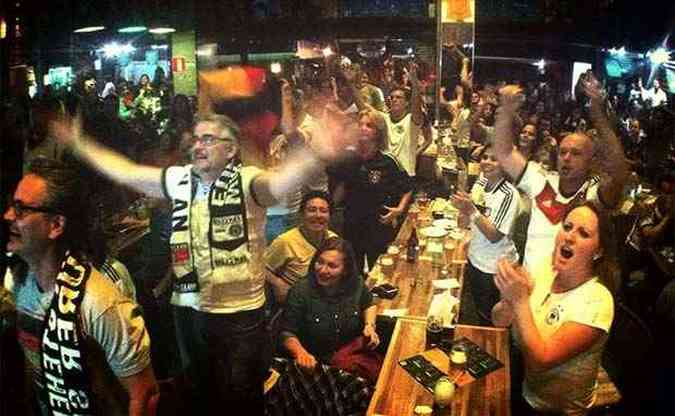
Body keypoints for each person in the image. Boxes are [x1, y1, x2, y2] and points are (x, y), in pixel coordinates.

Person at [51, 109, 339, 413]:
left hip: (239, 316)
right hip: (190, 309)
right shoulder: (179, 180)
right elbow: (126, 172)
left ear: (231, 150)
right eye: (198, 138)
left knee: (240, 400)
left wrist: (315, 154)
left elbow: (278, 185)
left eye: (210, 139)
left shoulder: (247, 181)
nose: (198, 145)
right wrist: (79, 143)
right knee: (199, 396)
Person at [2, 158, 157, 416]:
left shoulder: (100, 303)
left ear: (56, 225)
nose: (8, 216)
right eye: (10, 206)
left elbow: (144, 395)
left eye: (21, 210)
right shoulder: (19, 282)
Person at [493, 74, 629, 272]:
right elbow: (504, 152)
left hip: (566, 295)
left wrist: (598, 114)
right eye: (563, 152)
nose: (566, 158)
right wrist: (506, 110)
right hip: (529, 288)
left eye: (575, 153)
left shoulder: (593, 196)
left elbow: (619, 173)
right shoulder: (541, 181)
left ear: (590, 161)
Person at [493, 202, 616, 415]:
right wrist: (508, 299)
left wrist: (520, 301)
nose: (569, 236)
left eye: (583, 233)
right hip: (523, 387)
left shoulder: (598, 301)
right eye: (567, 227)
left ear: (598, 252)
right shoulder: (545, 268)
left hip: (558, 411)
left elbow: (541, 361)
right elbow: (499, 321)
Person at [281, 238, 382, 382]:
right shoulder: (300, 291)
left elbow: (369, 303)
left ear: (345, 270)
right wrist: (301, 353)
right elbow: (286, 332)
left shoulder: (356, 283)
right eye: (319, 262)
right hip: (317, 367)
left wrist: (370, 326)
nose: (322, 270)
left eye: (332, 266)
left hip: (350, 358)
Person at [331, 109, 414, 271]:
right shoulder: (349, 158)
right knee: (353, 270)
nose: (363, 128)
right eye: (360, 124)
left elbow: (408, 187)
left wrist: (399, 209)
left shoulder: (387, 160)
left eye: (369, 125)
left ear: (378, 132)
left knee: (380, 269)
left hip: (378, 224)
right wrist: (330, 209)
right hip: (352, 223)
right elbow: (342, 186)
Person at [451, 144, 520, 326]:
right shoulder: (481, 182)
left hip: (494, 267)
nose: (487, 162)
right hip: (475, 259)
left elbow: (494, 235)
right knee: (476, 312)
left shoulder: (509, 194)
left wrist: (471, 210)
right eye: (485, 157)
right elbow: (466, 222)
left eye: (494, 158)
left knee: (492, 320)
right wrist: (462, 210)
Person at [344, 62, 430, 177]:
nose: (394, 100)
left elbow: (416, 106)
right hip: (386, 175)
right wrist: (350, 83)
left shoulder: (411, 120)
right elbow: (362, 107)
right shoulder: (384, 118)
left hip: (405, 175)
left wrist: (414, 82)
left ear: (407, 103)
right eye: (392, 97)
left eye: (399, 97)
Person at [265, 191, 337, 305]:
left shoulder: (334, 240)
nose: (318, 215)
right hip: (296, 305)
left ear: (330, 216)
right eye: (312, 210)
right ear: (302, 214)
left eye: (323, 211)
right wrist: (277, 283)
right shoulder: (285, 241)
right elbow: (260, 268)